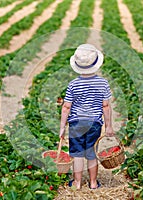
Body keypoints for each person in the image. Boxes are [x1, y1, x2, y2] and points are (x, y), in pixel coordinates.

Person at [59, 44, 114, 190]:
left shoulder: (73, 84)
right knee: (91, 153)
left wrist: (62, 127)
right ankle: (93, 183)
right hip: (94, 123)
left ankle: (77, 183)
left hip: (76, 123)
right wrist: (108, 126)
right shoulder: (103, 83)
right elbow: (106, 106)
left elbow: (66, 107)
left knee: (77, 153)